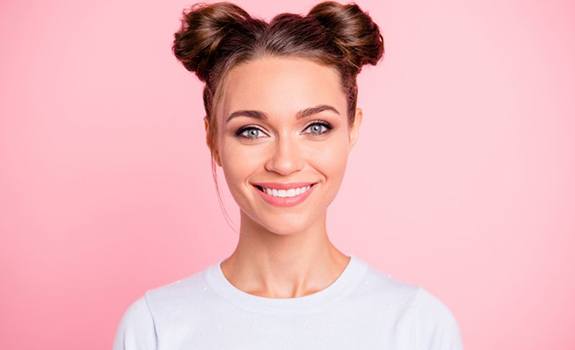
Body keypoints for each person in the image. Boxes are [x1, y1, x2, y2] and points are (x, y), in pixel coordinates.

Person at [112, 1, 464, 349]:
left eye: (316, 126)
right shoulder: (155, 327)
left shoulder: (417, 326)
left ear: (352, 130)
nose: (284, 162)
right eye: (251, 131)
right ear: (213, 139)